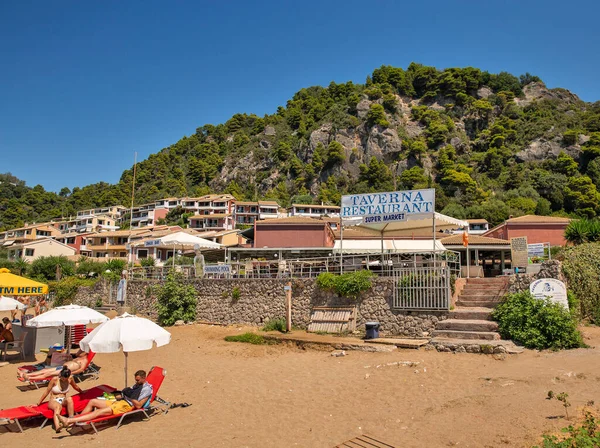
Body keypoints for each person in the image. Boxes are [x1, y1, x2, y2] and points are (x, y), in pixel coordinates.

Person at [58, 370, 153, 430]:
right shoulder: (138, 385)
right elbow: (129, 393)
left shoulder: (146, 389)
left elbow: (139, 405)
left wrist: (129, 396)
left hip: (125, 406)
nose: (136, 382)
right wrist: (122, 394)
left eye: (138, 380)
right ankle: (77, 421)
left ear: (144, 378)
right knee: (93, 401)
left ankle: (69, 421)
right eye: (136, 380)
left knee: (98, 412)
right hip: (120, 401)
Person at [36, 367, 83, 433]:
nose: (63, 379)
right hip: (53, 400)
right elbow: (47, 391)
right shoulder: (55, 379)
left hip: (63, 399)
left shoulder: (70, 378)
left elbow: (75, 386)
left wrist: (82, 392)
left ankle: (71, 420)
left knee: (69, 399)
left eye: (65, 378)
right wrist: (38, 403)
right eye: (62, 377)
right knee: (58, 407)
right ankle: (57, 426)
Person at [18, 349, 89, 381]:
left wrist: (71, 373)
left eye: (82, 351)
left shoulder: (84, 360)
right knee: (45, 370)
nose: (80, 352)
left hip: (65, 370)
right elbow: (76, 354)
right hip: (62, 367)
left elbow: (81, 369)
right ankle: (27, 375)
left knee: (48, 374)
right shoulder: (79, 357)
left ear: (86, 353)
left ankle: (30, 378)